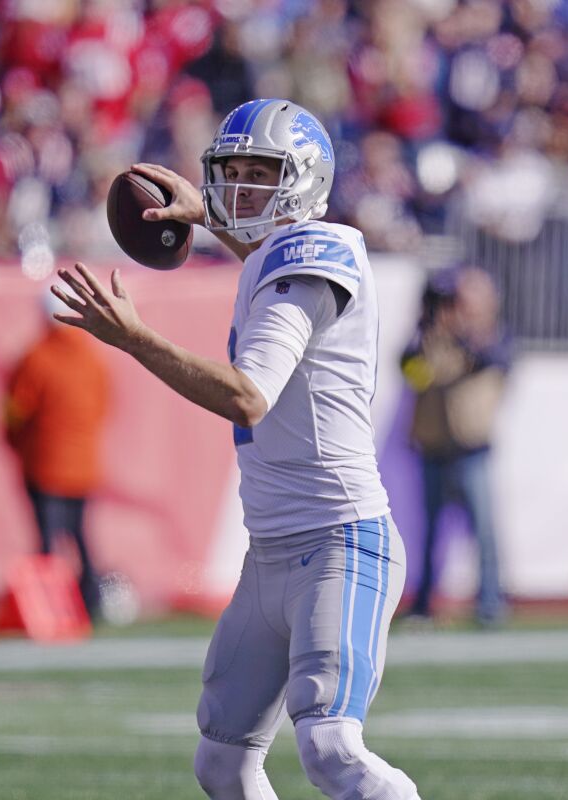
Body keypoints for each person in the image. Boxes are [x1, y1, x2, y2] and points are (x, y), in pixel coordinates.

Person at [53, 99, 420, 800]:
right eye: (235, 173)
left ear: (306, 181)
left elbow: (248, 395)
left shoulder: (322, 251)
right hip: (271, 553)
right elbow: (266, 255)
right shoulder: (273, 258)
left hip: (341, 542)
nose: (242, 189)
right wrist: (213, 221)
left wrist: (136, 339)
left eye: (263, 174)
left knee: (332, 747)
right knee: (222, 764)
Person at [401, 265, 511, 626]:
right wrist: (429, 330)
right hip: (434, 448)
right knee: (430, 533)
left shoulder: (488, 338)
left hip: (471, 447)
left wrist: (460, 332)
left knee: (484, 531)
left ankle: (491, 603)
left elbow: (494, 362)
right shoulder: (426, 343)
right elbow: (409, 370)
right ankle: (424, 602)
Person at [4, 290, 110, 619]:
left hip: (45, 465)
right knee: (80, 537)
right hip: (84, 466)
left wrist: (17, 444)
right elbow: (104, 405)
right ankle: (91, 602)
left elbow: (15, 412)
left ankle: (50, 609)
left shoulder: (35, 358)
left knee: (49, 543)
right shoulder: (92, 359)